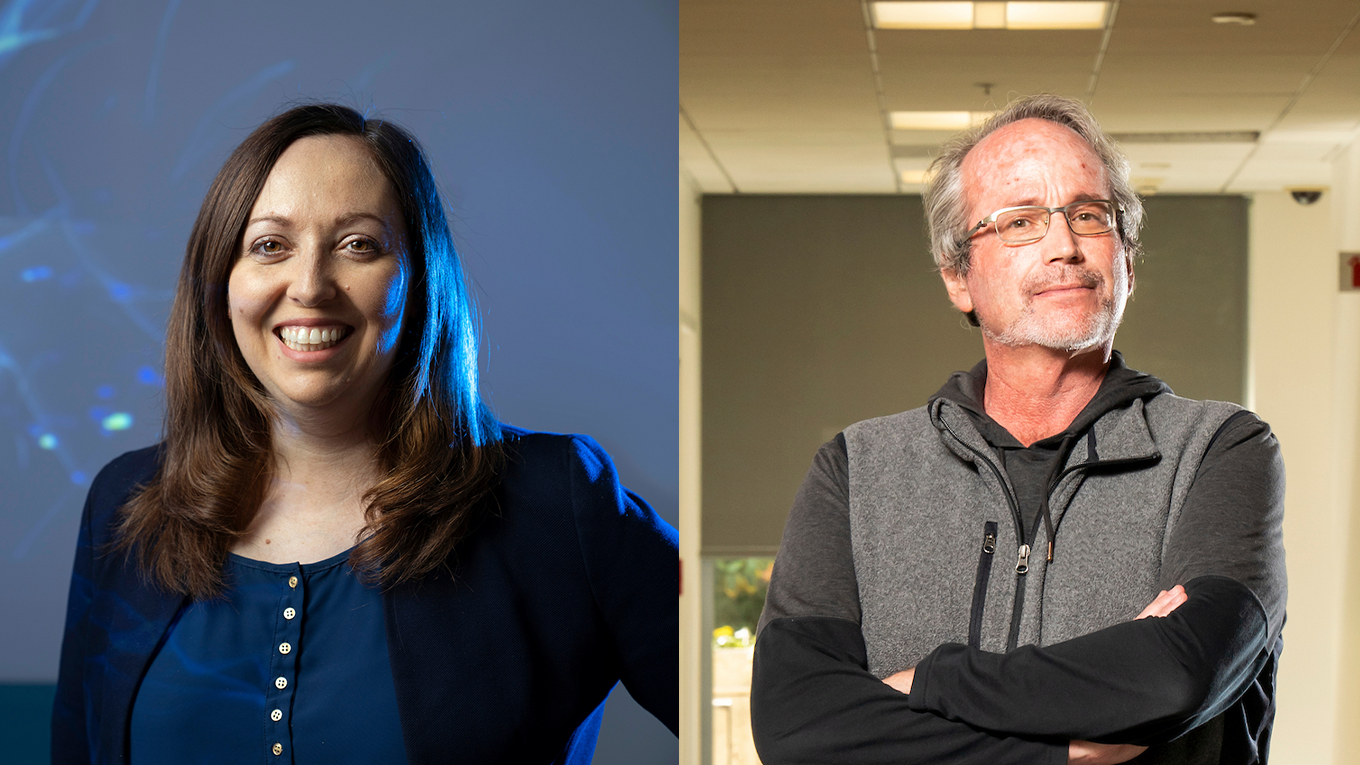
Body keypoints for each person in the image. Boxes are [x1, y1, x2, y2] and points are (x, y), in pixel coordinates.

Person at [52, 103, 677, 764]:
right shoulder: (127, 501)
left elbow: (756, 690)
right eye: (270, 245)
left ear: (418, 278)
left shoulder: (555, 501)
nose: (311, 286)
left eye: (358, 245)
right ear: (220, 283)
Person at [750, 94, 1285, 765]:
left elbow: (1176, 675)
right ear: (957, 276)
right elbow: (795, 727)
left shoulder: (1220, 451)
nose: (1064, 246)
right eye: (1020, 222)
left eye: (1090, 215)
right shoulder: (857, 470)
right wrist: (1067, 749)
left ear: (1128, 259)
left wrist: (931, 681)